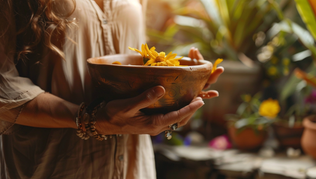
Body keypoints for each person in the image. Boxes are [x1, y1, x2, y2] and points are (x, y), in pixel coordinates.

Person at [0, 0, 224, 178]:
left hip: (133, 167)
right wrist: (91, 119)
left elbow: (135, 60)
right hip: (56, 167)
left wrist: (180, 86)